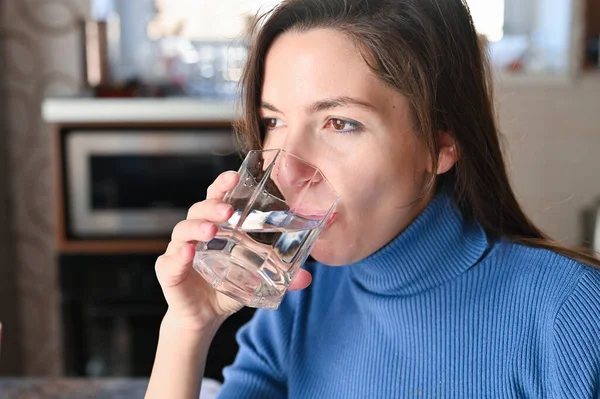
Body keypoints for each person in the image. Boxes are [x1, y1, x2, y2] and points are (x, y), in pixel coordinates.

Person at [145, 0, 600, 397]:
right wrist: (188, 326)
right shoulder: (299, 306)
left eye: (340, 123)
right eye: (274, 120)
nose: (285, 168)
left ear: (440, 144)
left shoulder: (571, 313)